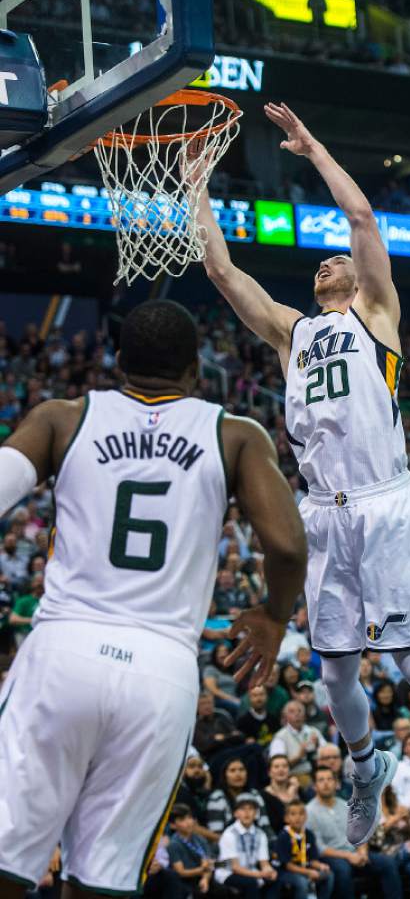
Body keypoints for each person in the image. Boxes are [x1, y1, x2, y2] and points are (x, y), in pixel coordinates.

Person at [191, 102, 410, 846]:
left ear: (358, 279)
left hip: (385, 503)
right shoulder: (293, 332)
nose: (327, 263)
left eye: (337, 262)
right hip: (322, 509)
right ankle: (362, 766)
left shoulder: (375, 314)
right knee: (333, 677)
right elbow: (223, 273)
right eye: (320, 263)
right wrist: (195, 184)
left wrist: (311, 146)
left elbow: (358, 216)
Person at [0, 299, 308, 899]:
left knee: (6, 860)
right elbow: (289, 547)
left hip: (64, 650)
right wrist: (273, 615)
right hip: (161, 670)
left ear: (118, 363)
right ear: (196, 371)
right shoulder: (235, 434)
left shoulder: (63, 418)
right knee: (105, 878)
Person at [305, 767, 403, 899]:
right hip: (331, 856)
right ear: (314, 786)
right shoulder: (309, 811)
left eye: (329, 779)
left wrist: (362, 851)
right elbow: (319, 848)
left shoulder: (346, 805)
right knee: (343, 869)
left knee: (387, 863)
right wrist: (348, 856)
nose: (326, 783)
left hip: (355, 853)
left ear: (336, 783)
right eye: (321, 780)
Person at [215, 795, 279, 898]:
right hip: (227, 872)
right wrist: (260, 875)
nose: (247, 813)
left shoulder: (260, 834)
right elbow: (235, 867)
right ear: (236, 813)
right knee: (251, 883)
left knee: (274, 879)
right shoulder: (229, 834)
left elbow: (264, 863)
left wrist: (270, 871)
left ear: (256, 813)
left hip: (250, 869)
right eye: (243, 809)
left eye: (251, 809)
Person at [207, 758, 273, 844]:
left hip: (257, 843)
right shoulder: (217, 797)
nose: (238, 774)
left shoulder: (255, 794)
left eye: (241, 770)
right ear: (224, 775)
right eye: (232, 770)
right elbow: (216, 832)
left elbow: (265, 826)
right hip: (226, 845)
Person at [276, 801, 334, 899]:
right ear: (286, 818)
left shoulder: (309, 834)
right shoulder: (283, 836)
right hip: (286, 872)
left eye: (301, 813)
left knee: (328, 875)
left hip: (305, 868)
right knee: (302, 882)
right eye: (293, 814)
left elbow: (312, 860)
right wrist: (308, 872)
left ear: (306, 816)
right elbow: (288, 866)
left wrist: (320, 866)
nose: (298, 817)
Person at [269, 700, 329, 784]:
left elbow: (328, 754)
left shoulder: (313, 732)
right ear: (285, 717)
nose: (297, 714)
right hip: (293, 776)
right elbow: (276, 766)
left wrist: (318, 747)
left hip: (318, 773)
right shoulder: (280, 737)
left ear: (304, 715)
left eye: (300, 711)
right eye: (292, 711)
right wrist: (299, 756)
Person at [167, 804, 220, 897]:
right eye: (182, 820)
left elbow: (211, 863)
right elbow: (181, 872)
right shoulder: (173, 844)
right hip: (186, 883)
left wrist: (205, 879)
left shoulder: (199, 838)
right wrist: (202, 869)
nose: (188, 822)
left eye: (190, 818)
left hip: (205, 877)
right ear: (172, 825)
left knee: (223, 890)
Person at [263, 754, 302, 834]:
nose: (281, 770)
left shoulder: (298, 791)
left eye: (285, 766)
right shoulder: (263, 796)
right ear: (269, 772)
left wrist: (294, 793)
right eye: (276, 767)